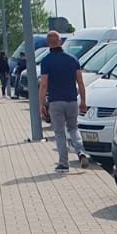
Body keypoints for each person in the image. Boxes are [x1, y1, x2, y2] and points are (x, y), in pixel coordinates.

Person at [38, 30, 88, 170]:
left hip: (55, 102)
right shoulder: (72, 59)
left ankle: (63, 163)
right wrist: (83, 101)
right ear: (60, 42)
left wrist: (41, 104)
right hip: (72, 101)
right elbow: (80, 82)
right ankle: (81, 152)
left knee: (59, 133)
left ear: (48, 43)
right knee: (73, 128)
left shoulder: (46, 61)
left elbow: (43, 84)